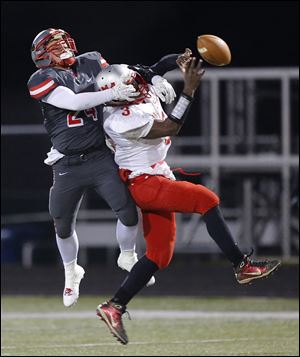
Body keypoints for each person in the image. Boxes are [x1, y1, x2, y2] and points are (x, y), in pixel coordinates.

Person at [94, 58, 281, 345]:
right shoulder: (119, 120)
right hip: (145, 183)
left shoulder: (133, 89)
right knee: (206, 199)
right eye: (131, 84)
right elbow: (171, 127)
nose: (138, 84)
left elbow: (159, 65)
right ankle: (242, 266)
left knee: (159, 256)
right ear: (118, 94)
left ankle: (114, 305)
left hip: (157, 175)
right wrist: (189, 89)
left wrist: (184, 60)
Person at [27, 28, 192, 308]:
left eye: (63, 42)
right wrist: (113, 93)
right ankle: (71, 272)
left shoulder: (92, 62)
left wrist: (153, 75)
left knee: (128, 211)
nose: (63, 47)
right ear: (43, 55)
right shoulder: (41, 79)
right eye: (55, 45)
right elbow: (75, 102)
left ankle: (127, 254)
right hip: (67, 160)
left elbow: (127, 71)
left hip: (101, 155)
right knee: (62, 223)